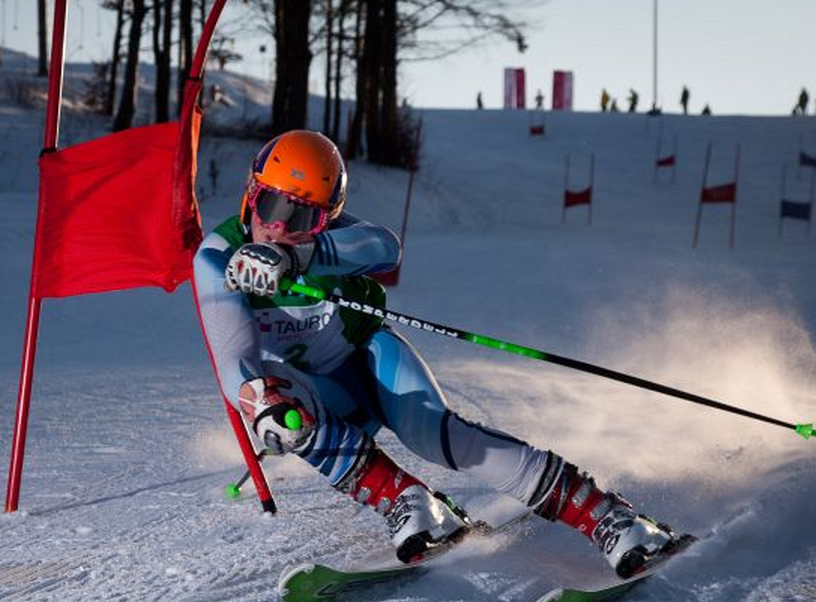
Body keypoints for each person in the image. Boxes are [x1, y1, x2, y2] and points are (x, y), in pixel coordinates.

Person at [194, 130, 685, 577]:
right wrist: (261, 410)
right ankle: (411, 504)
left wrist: (301, 256)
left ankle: (610, 517)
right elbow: (234, 359)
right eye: (270, 204)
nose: (277, 226)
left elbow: (384, 247)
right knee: (267, 401)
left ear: (328, 218)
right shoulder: (217, 258)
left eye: (301, 216)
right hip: (316, 394)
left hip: (367, 360)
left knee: (434, 433)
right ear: (250, 193)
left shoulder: (328, 243)